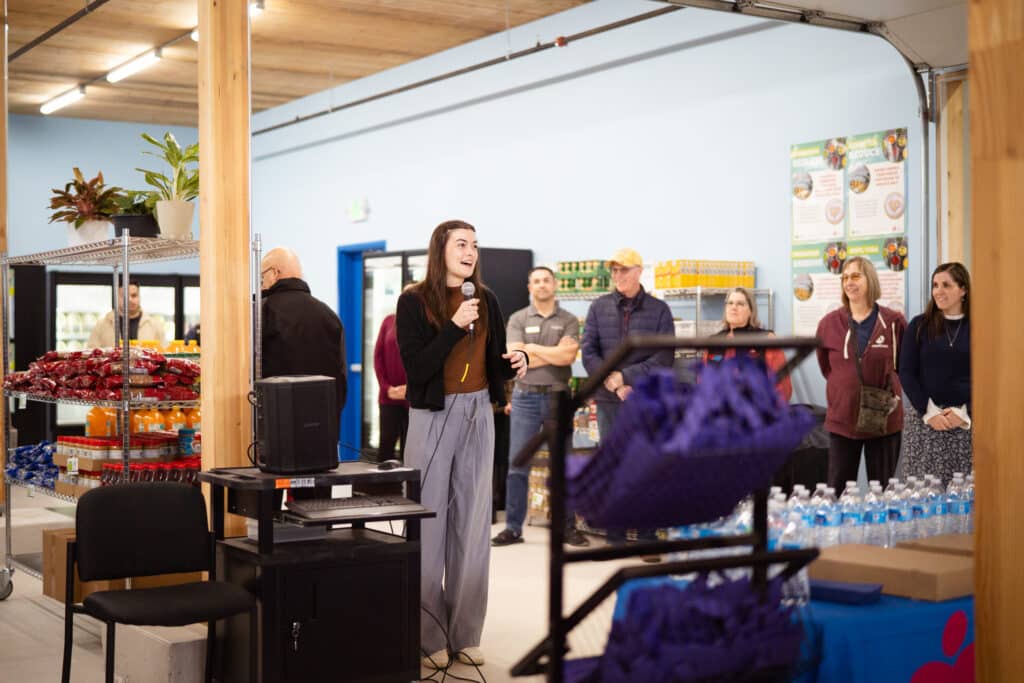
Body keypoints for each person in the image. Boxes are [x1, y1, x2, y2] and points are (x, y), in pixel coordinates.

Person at [395, 219, 527, 670]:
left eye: (474, 245)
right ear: (441, 250)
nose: (470, 252)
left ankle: (466, 633)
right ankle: (428, 635)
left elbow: (494, 362)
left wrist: (517, 361)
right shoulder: (413, 301)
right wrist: (453, 326)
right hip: (432, 416)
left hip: (478, 413)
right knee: (428, 524)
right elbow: (417, 368)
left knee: (472, 525)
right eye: (461, 244)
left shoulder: (486, 299)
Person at [580, 248, 674, 548]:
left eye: (623, 269)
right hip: (609, 400)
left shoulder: (659, 310)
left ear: (639, 271)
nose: (618, 275)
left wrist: (628, 377)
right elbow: (589, 352)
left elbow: (664, 356)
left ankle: (647, 536)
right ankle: (616, 535)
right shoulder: (599, 307)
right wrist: (614, 382)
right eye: (614, 270)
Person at [491, 266, 588, 548]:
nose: (542, 285)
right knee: (518, 464)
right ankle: (513, 528)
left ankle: (567, 527)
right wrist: (551, 352)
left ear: (554, 285)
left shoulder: (568, 319)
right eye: (536, 281)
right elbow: (516, 357)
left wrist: (532, 350)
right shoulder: (517, 318)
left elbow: (567, 357)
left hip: (559, 398)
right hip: (525, 397)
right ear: (529, 287)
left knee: (564, 465)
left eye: (546, 280)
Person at [816, 256, 906, 492]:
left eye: (856, 276)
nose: (849, 282)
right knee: (837, 491)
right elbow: (827, 368)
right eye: (845, 277)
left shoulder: (894, 322)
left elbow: (904, 367)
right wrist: (847, 387)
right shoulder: (828, 324)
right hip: (842, 419)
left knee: (882, 491)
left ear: (870, 280)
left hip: (883, 420)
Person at [897, 263, 972, 485]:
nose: (939, 291)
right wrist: (929, 412)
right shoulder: (919, 325)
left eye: (946, 285)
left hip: (965, 423)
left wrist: (966, 411)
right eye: (935, 285)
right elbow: (906, 372)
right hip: (925, 423)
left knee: (964, 494)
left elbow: (989, 378)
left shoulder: (979, 326)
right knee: (923, 493)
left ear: (963, 290)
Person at [261, 247, 347, 432]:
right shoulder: (329, 315)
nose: (261, 284)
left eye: (262, 276)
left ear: (275, 273)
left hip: (276, 425)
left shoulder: (262, 312)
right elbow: (340, 376)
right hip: (322, 424)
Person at [704, 287, 792, 401]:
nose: (733, 307)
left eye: (740, 304)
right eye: (730, 303)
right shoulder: (713, 342)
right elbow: (703, 384)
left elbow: (783, 389)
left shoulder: (766, 339)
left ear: (751, 311)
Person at [87, 281, 166, 348]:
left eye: (134, 295)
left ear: (139, 297)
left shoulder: (155, 325)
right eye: (124, 296)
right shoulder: (101, 325)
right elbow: (91, 353)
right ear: (117, 297)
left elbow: (164, 354)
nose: (129, 299)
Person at [373, 313, 408, 460]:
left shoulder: (424, 323)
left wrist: (410, 388)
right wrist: (386, 388)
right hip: (388, 397)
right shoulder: (388, 321)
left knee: (410, 452)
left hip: (413, 400)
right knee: (385, 449)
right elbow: (378, 357)